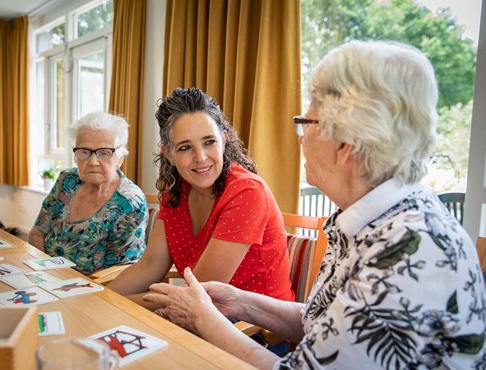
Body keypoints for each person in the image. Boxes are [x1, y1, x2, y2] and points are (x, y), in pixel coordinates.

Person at [143, 41, 486, 369]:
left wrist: (204, 317)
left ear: (345, 146)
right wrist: (241, 301)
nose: (301, 137)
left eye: (306, 123)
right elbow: (323, 320)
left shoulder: (411, 253)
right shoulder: (368, 219)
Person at [108, 87, 294, 309]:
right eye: (185, 147)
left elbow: (200, 295)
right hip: (200, 318)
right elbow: (149, 266)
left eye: (209, 142)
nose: (201, 158)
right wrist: (100, 299)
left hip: (256, 330)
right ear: (168, 153)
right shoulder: (176, 191)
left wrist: (114, 306)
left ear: (224, 140)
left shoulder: (247, 192)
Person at [29, 112, 148, 275]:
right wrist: (44, 274)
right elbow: (37, 233)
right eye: (84, 152)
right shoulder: (67, 180)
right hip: (45, 277)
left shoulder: (130, 203)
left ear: (120, 158)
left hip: (94, 290)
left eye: (104, 152)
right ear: (75, 157)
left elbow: (117, 273)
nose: (92, 162)